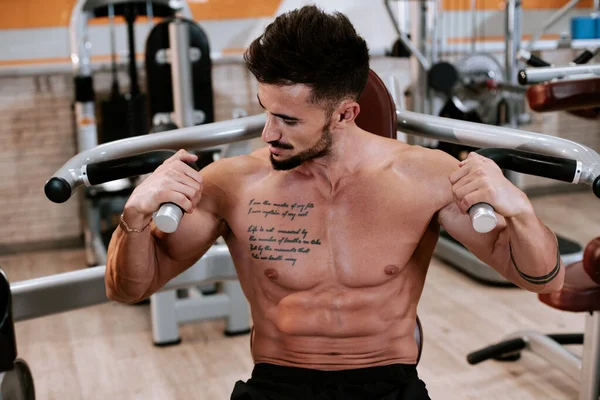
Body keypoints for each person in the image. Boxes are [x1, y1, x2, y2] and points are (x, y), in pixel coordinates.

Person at [105, 5, 566, 399]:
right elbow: (129, 290)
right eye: (266, 111)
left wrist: (521, 210)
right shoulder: (233, 183)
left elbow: (541, 276)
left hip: (388, 386)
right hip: (277, 385)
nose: (268, 134)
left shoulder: (425, 177)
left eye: (287, 120)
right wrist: (135, 218)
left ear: (346, 113)